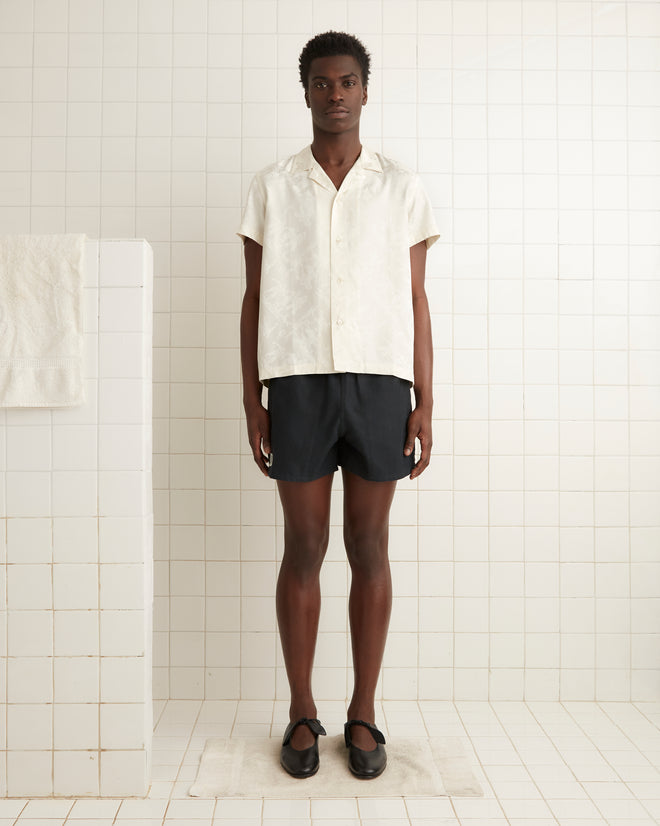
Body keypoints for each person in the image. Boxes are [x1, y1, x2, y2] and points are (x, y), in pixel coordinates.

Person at [238, 31, 439, 780]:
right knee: (303, 548)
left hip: (382, 384)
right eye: (321, 83)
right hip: (295, 381)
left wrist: (424, 399)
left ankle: (363, 714)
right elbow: (254, 298)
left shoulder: (400, 186)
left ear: (365, 89)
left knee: (371, 549)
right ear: (306, 92)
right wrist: (252, 398)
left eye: (347, 81)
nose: (335, 95)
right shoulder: (272, 186)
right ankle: (300, 710)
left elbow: (417, 300)